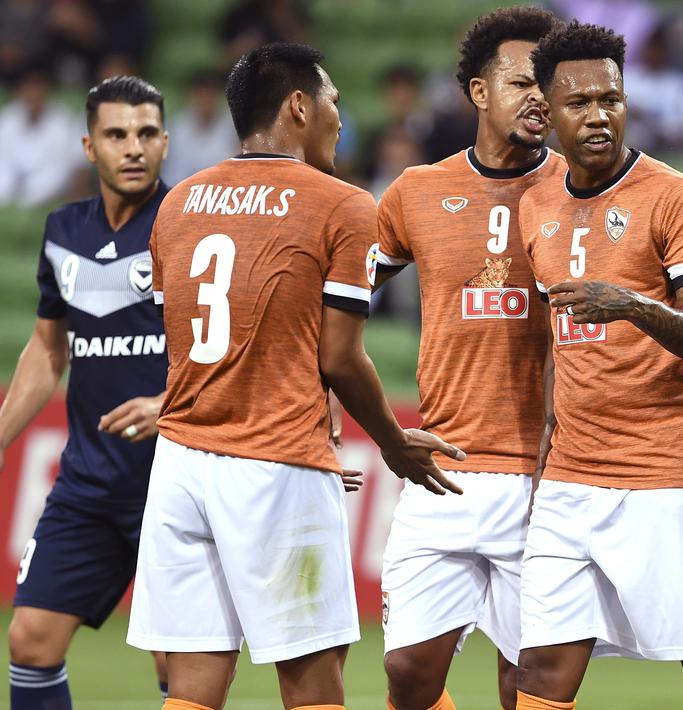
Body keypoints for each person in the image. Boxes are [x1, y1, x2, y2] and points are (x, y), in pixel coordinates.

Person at [125, 42, 463, 710]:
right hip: (275, 466)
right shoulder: (341, 203)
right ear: (300, 106)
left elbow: (192, 350)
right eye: (334, 100)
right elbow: (339, 357)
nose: (342, 115)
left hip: (181, 467)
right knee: (311, 681)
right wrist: (394, 445)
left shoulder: (179, 203)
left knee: (192, 683)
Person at [513, 21, 683, 710]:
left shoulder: (674, 196)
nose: (600, 114)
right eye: (579, 103)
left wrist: (631, 305)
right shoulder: (534, 205)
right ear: (545, 112)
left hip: (664, 475)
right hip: (571, 480)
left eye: (612, 97)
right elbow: (555, 340)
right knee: (539, 668)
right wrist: (547, 448)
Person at [370, 8, 563, 710]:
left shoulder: (579, 188)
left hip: (542, 477)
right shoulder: (415, 192)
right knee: (409, 678)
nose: (538, 96)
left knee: (527, 682)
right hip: (440, 469)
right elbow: (339, 296)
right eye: (520, 81)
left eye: (547, 81)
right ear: (478, 93)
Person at [0, 73, 170, 709]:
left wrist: (169, 404)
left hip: (173, 482)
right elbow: (49, 348)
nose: (133, 147)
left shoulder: (188, 227)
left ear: (165, 141)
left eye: (147, 133)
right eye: (117, 134)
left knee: (180, 666)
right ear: (88, 145)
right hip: (88, 484)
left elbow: (228, 351)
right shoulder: (62, 231)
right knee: (31, 641)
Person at [0, 65, 88, 207]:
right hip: (12, 173)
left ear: (47, 90)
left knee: (53, 176)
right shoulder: (7, 117)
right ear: (20, 90)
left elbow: (76, 160)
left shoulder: (63, 119)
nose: (34, 93)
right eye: (29, 87)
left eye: (38, 87)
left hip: (47, 174)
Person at [163, 69, 238, 184]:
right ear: (191, 96)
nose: (205, 100)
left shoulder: (233, 129)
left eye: (209, 94)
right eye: (201, 94)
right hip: (181, 192)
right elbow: (173, 173)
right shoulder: (175, 128)